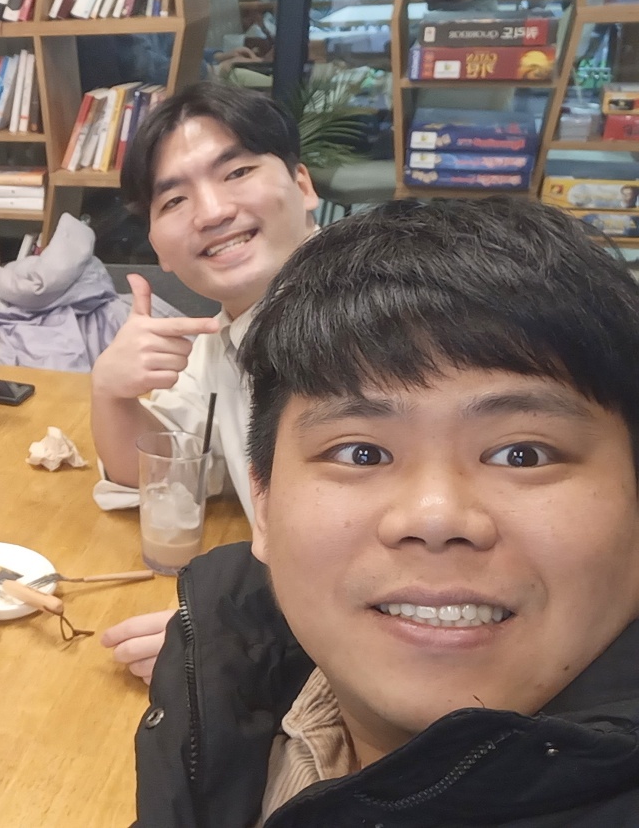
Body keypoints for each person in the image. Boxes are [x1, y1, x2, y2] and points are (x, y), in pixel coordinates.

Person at [134, 196, 639, 825]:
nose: (435, 517)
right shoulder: (222, 673)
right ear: (262, 500)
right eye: (362, 453)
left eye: (522, 455)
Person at [88, 81, 318, 681]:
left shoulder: (381, 332)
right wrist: (110, 388)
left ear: (302, 185)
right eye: (174, 201)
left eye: (237, 172)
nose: (212, 212)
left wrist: (247, 635)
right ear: (159, 251)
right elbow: (160, 469)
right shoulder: (225, 339)